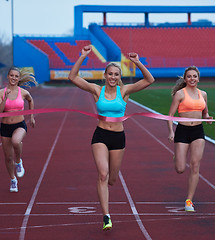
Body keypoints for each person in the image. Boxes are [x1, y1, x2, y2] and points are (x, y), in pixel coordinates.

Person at [68, 46, 155, 231]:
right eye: (110, 74)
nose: (113, 77)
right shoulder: (96, 90)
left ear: (119, 77)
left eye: (116, 74)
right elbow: (73, 77)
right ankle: (106, 216)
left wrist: (137, 62)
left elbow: (150, 80)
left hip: (118, 138)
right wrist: (82, 56)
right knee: (103, 174)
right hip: (100, 135)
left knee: (112, 179)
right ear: (105, 75)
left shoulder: (124, 92)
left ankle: (107, 190)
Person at [167, 66, 212, 212]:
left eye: (194, 76)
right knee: (180, 168)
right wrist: (171, 132)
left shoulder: (203, 94)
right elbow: (170, 116)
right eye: (189, 76)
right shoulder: (180, 94)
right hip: (182, 131)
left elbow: (205, 113)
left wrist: (207, 118)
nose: (192, 79)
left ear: (198, 78)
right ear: (185, 79)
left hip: (198, 131)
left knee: (195, 165)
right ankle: (177, 157)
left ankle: (189, 200)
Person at [0, 67, 37, 193]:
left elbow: (30, 100)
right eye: (11, 75)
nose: (13, 78)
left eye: (16, 76)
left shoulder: (23, 92)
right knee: (8, 157)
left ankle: (18, 161)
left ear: (19, 79)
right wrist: (5, 99)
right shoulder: (1, 92)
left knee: (16, 141)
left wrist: (31, 116)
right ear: (8, 77)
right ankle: (13, 180)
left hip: (19, 124)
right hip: (5, 127)